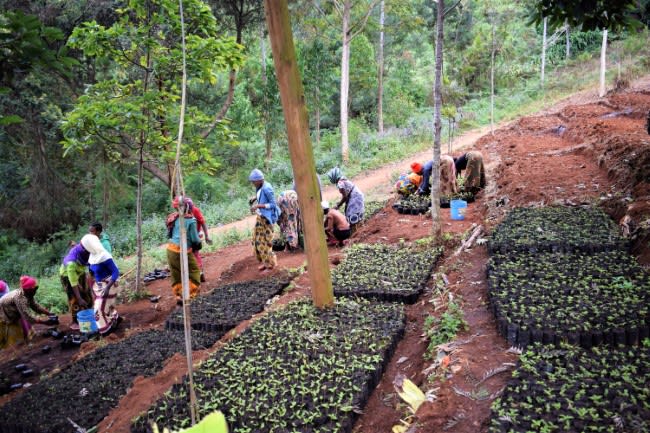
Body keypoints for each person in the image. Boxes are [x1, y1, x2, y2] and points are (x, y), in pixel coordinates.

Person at [80, 234, 121, 335]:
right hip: (99, 285)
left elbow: (116, 272)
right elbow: (92, 273)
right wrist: (92, 286)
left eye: (85, 246)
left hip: (109, 284)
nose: (84, 249)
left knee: (98, 310)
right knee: (105, 306)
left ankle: (106, 331)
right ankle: (114, 319)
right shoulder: (92, 255)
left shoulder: (104, 256)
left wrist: (107, 287)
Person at [0, 276, 53, 349]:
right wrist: (44, 322)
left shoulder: (28, 294)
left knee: (23, 323)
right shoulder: (20, 298)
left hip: (13, 309)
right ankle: (16, 350)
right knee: (14, 334)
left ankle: (26, 339)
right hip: (4, 311)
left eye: (36, 288)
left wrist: (49, 313)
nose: (36, 290)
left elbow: (35, 306)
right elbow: (27, 316)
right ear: (28, 289)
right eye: (34, 288)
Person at [166, 197, 202, 304]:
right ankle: (190, 296)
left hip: (170, 249)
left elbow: (171, 234)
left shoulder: (174, 217)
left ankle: (178, 295)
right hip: (183, 251)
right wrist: (199, 242)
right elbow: (195, 239)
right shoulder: (190, 221)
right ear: (188, 207)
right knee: (194, 271)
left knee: (176, 274)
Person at [249, 169, 281, 272]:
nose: (253, 183)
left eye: (253, 181)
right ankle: (266, 262)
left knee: (266, 243)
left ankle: (271, 265)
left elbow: (273, 205)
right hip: (261, 217)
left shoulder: (267, 188)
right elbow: (263, 197)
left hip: (267, 219)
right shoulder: (260, 187)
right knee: (258, 241)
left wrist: (258, 205)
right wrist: (256, 198)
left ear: (259, 180)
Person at [59, 242, 93, 330]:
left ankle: (89, 314)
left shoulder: (85, 250)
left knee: (87, 293)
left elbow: (91, 267)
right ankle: (75, 321)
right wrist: (79, 298)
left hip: (80, 273)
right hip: (67, 276)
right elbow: (73, 283)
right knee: (74, 298)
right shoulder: (71, 264)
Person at [180, 197, 212, 282]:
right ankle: (195, 273)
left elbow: (202, 222)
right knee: (190, 255)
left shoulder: (195, 210)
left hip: (195, 235)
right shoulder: (180, 214)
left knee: (195, 253)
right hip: (186, 237)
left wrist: (206, 236)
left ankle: (199, 272)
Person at [327, 167, 365, 232]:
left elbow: (345, 197)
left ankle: (356, 231)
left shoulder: (340, 183)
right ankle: (359, 229)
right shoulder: (342, 180)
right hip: (357, 196)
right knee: (354, 213)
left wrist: (338, 205)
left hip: (355, 198)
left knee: (352, 214)